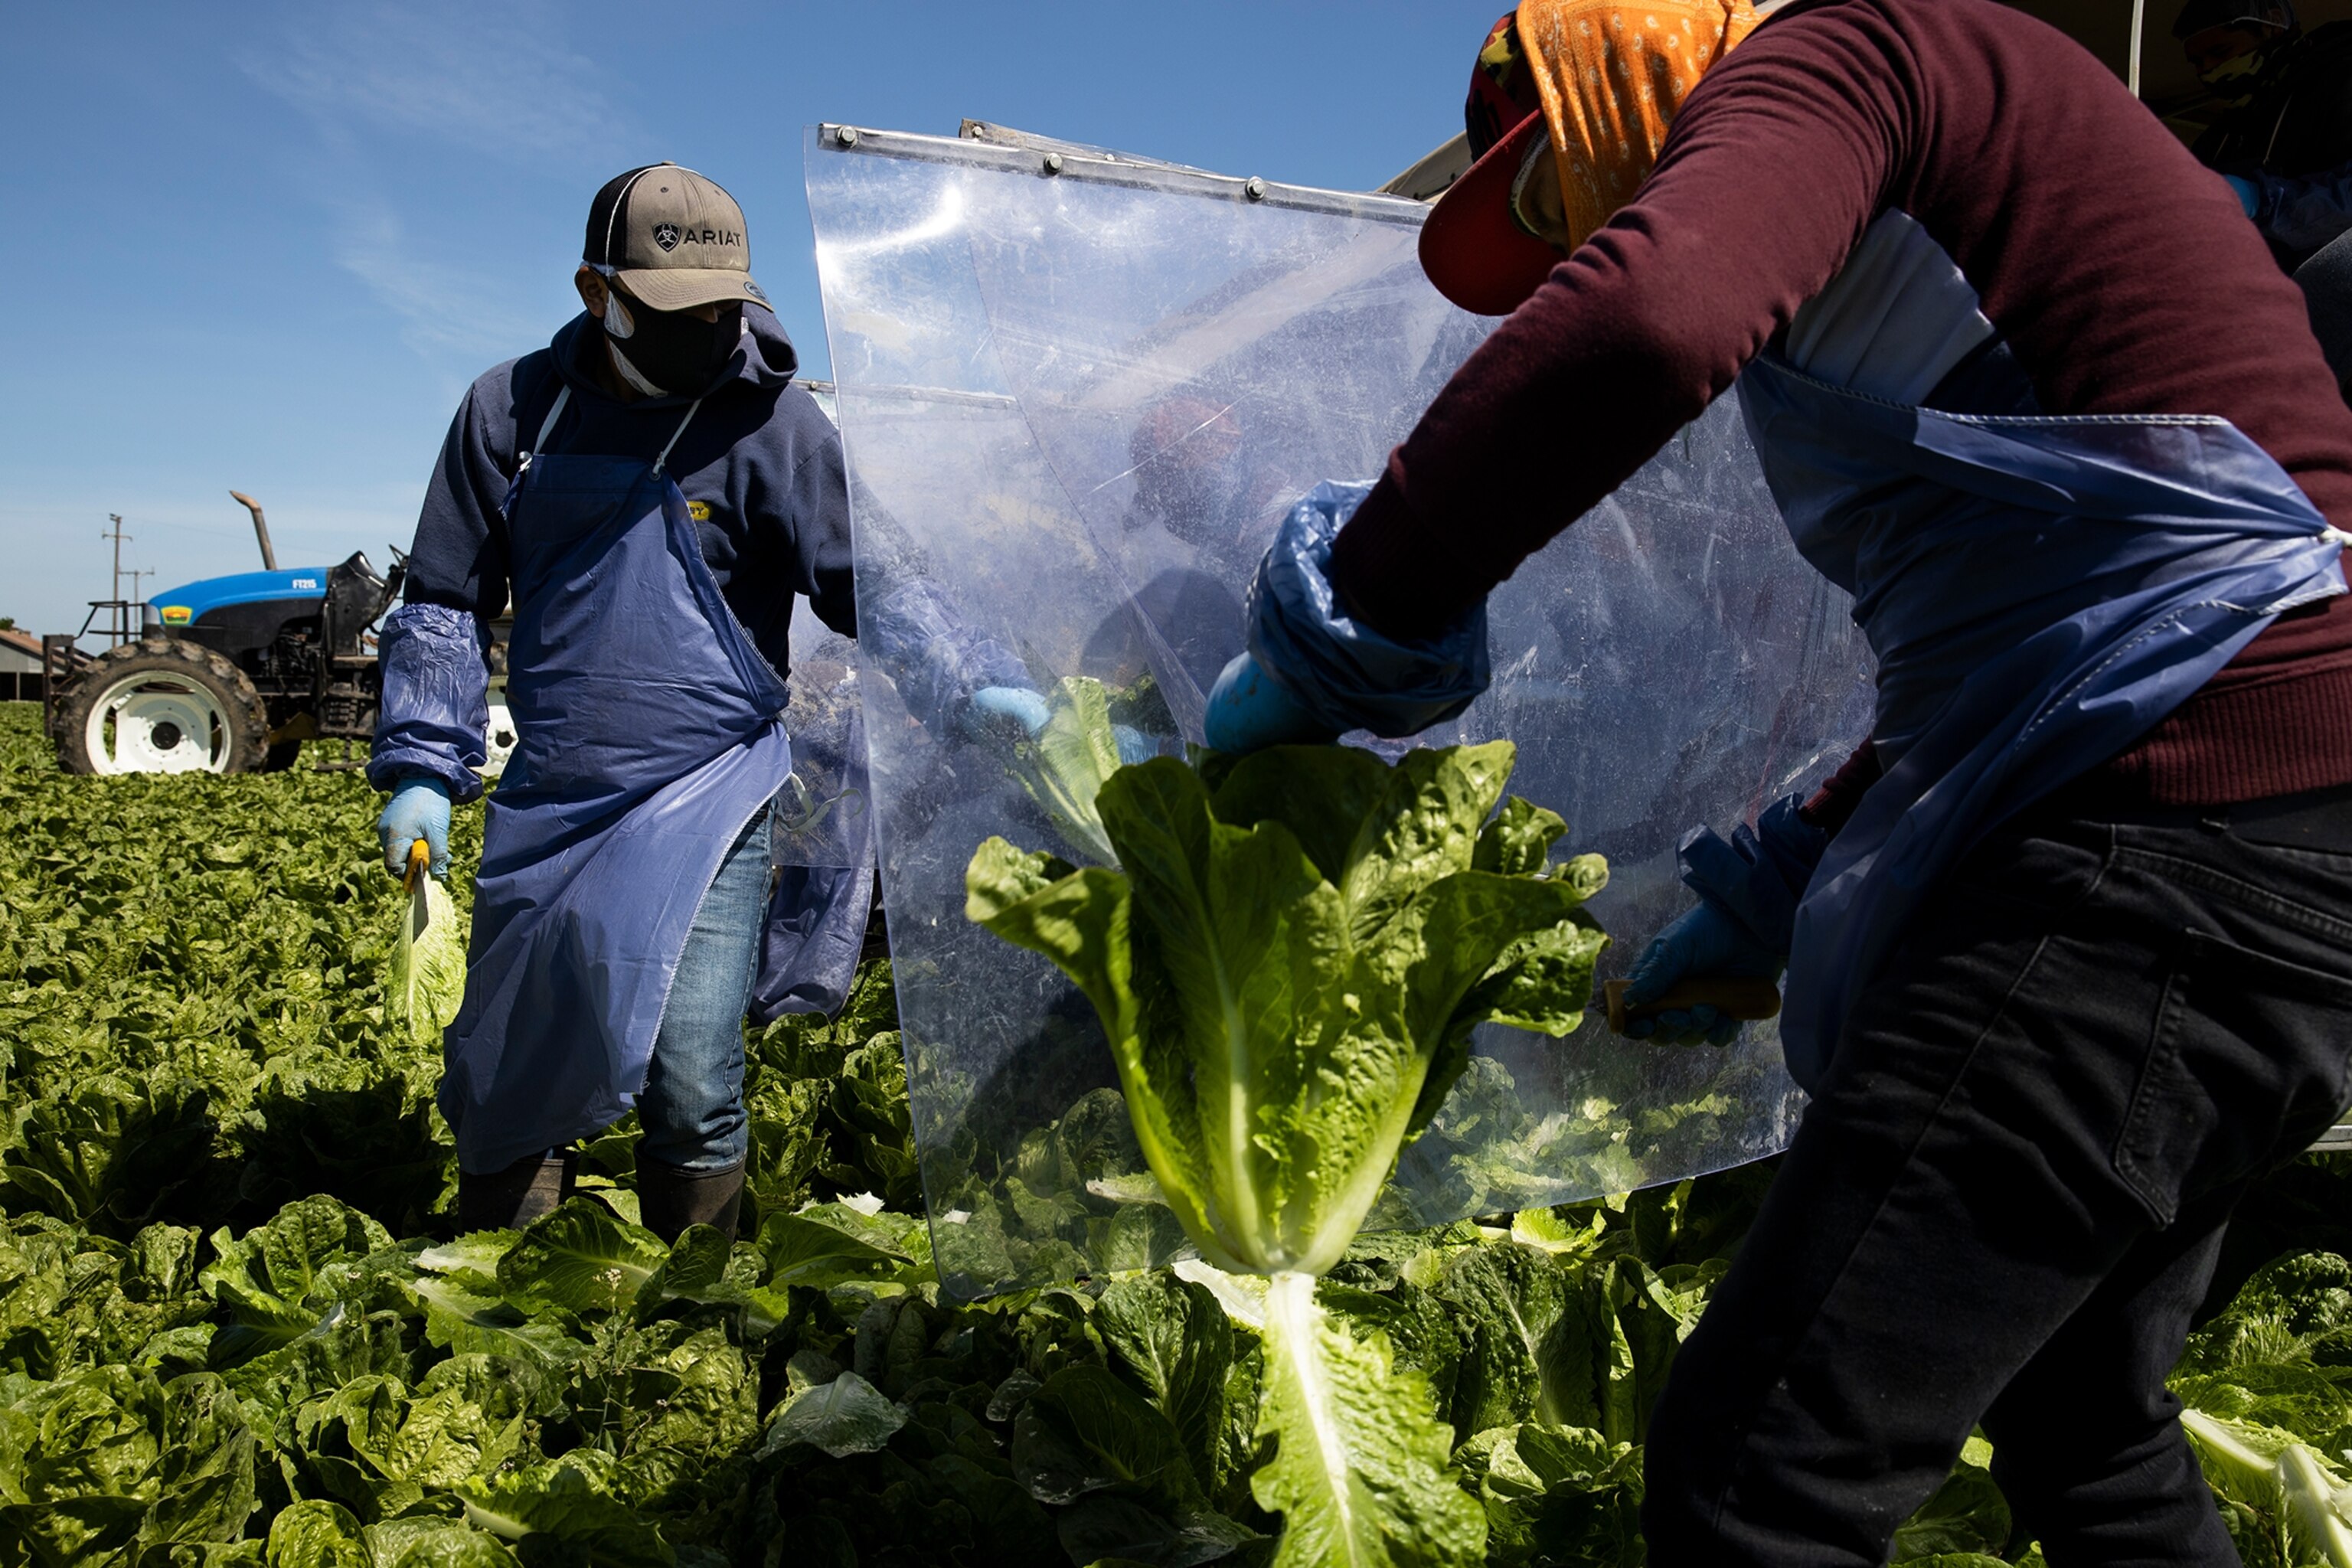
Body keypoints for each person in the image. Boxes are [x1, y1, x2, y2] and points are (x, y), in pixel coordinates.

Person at [1206, 1, 2352, 1562]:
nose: (1583, 241)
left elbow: (1647, 321)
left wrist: (1361, 618)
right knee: (2088, 1415)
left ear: (1632, 88)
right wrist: (1776, 877)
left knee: (1762, 1467)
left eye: (1567, 196)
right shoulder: (1959, 224)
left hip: (2173, 830)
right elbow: (2055, 637)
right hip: (2279, 817)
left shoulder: (1852, 56)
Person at [371, 165, 1037, 1243]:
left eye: (724, 307)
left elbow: (880, 581)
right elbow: (445, 602)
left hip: (711, 796)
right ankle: (497, 1280)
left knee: (689, 1066)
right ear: (601, 293)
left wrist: (972, 681)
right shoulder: (513, 412)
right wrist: (418, 766)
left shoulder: (773, 426)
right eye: (679, 312)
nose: (710, 332)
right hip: (555, 799)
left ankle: (698, 1307)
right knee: (514, 1055)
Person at [2175, 0, 2352, 393]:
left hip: (2308, 321)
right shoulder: (2224, 136)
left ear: (2271, 27)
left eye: (2220, 52)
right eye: (2198, 62)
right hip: (2243, 316)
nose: (2209, 70)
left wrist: (2263, 201)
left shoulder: (2342, 75)